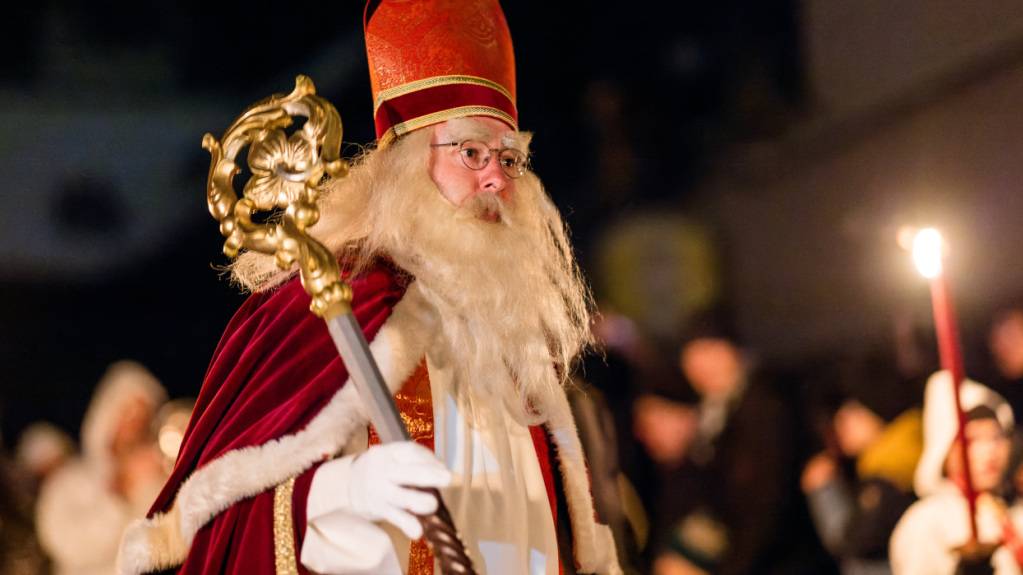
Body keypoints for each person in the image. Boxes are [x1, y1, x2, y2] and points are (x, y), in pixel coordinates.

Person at [118, 2, 622, 574]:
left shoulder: (517, 347)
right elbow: (222, 515)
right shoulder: (335, 303)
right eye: (472, 152)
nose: (496, 178)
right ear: (408, 164)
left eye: (510, 158)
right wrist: (340, 493)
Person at [634, 317, 797, 575]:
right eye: (691, 355)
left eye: (709, 351)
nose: (699, 365)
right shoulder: (712, 411)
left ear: (733, 351)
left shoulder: (762, 408)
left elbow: (765, 500)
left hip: (767, 555)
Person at [37, 360, 168, 575]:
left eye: (144, 416)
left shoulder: (154, 482)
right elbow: (70, 547)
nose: (135, 426)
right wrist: (122, 491)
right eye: (128, 414)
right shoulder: (68, 482)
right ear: (106, 415)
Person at [889, 371, 1023, 574]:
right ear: (945, 446)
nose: (990, 451)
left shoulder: (1013, 514)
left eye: (997, 437)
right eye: (972, 439)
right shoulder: (927, 523)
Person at [801, 353, 923, 575]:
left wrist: (823, 490)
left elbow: (851, 542)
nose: (841, 421)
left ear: (878, 412)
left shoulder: (892, 471)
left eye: (853, 410)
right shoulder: (893, 460)